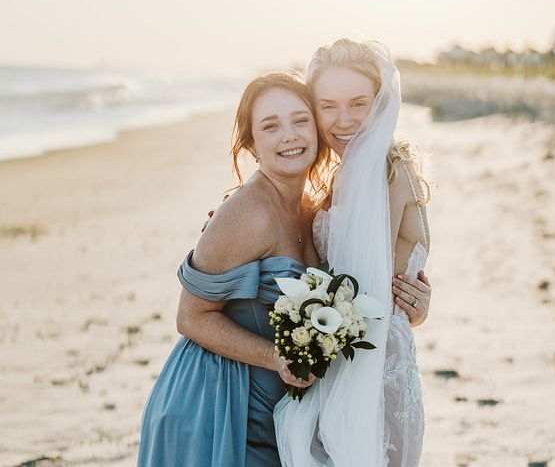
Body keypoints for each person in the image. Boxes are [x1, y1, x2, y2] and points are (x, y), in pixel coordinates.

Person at [137, 71, 332, 467]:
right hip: (216, 406)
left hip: (277, 412)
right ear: (252, 145)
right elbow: (190, 317)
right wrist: (277, 358)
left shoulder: (315, 210)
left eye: (300, 120)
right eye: (271, 126)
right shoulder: (247, 213)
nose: (290, 135)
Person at [274, 39, 432, 467]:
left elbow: (363, 288)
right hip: (374, 356)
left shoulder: (379, 170)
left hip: (370, 368)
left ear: (380, 102)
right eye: (328, 106)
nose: (344, 121)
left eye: (358, 103)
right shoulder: (373, 166)